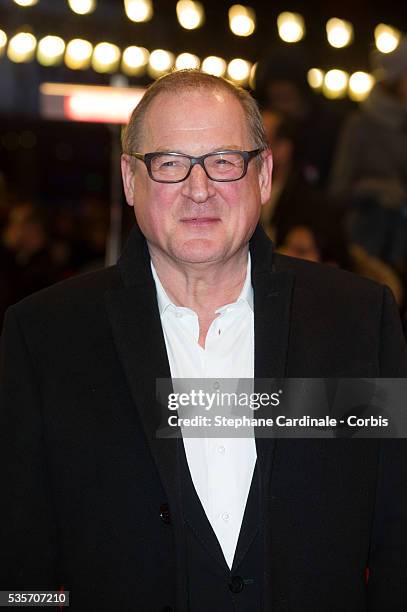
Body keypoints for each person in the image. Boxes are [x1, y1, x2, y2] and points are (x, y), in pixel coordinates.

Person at [1, 70, 407, 612]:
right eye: (169, 163)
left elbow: (396, 536)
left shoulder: (357, 321)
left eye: (223, 161)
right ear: (129, 179)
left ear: (263, 175)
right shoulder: (46, 336)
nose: (199, 189)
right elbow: (22, 564)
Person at [329, 37, 407, 272]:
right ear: (395, 80)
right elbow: (338, 189)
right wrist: (379, 189)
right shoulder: (361, 124)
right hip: (366, 248)